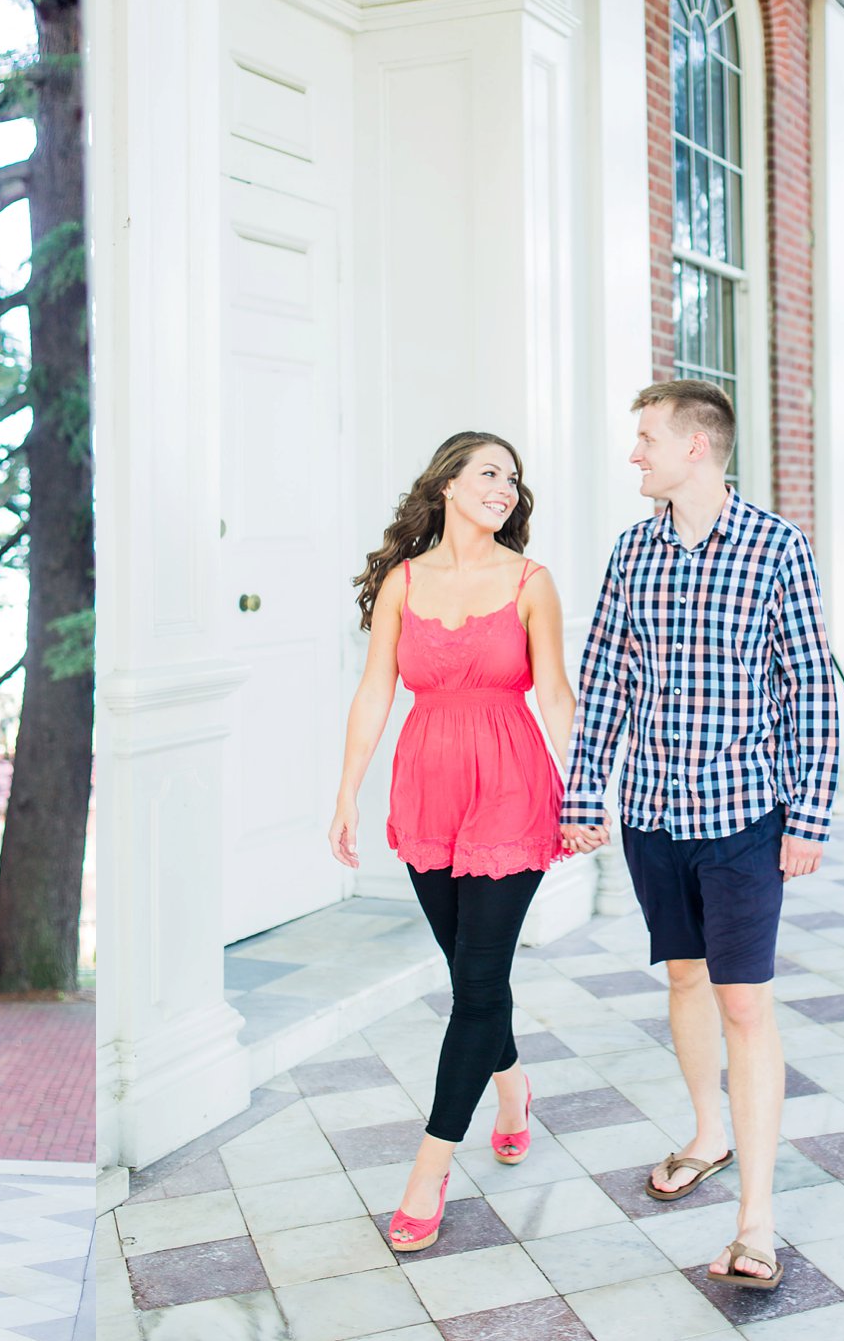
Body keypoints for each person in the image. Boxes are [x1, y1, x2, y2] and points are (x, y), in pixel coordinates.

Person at [561, 380, 837, 1291]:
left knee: (745, 1001)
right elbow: (603, 681)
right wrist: (582, 796)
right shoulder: (632, 553)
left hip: (744, 818)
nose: (634, 454)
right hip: (652, 813)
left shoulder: (775, 548)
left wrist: (810, 814)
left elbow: (809, 689)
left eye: (646, 438)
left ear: (697, 448)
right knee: (683, 976)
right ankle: (706, 1132)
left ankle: (757, 1220)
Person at [328, 432, 577, 1253]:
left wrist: (588, 792)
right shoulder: (404, 582)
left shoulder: (532, 584)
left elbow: (556, 695)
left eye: (513, 477)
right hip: (428, 787)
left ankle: (427, 1169)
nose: (505, 487)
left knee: (475, 982)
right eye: (489, 473)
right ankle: (512, 1087)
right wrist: (345, 794)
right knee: (470, 969)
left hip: (512, 786)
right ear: (446, 484)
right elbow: (374, 691)